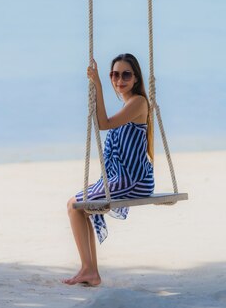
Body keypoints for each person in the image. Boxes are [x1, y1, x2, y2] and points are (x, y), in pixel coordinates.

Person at [63, 53, 155, 286]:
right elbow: (106, 123)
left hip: (134, 178)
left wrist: (98, 85)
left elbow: (104, 124)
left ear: (135, 78)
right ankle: (89, 269)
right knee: (79, 207)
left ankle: (90, 270)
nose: (119, 79)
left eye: (126, 74)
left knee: (75, 206)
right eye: (114, 74)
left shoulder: (139, 102)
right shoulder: (128, 104)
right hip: (124, 176)